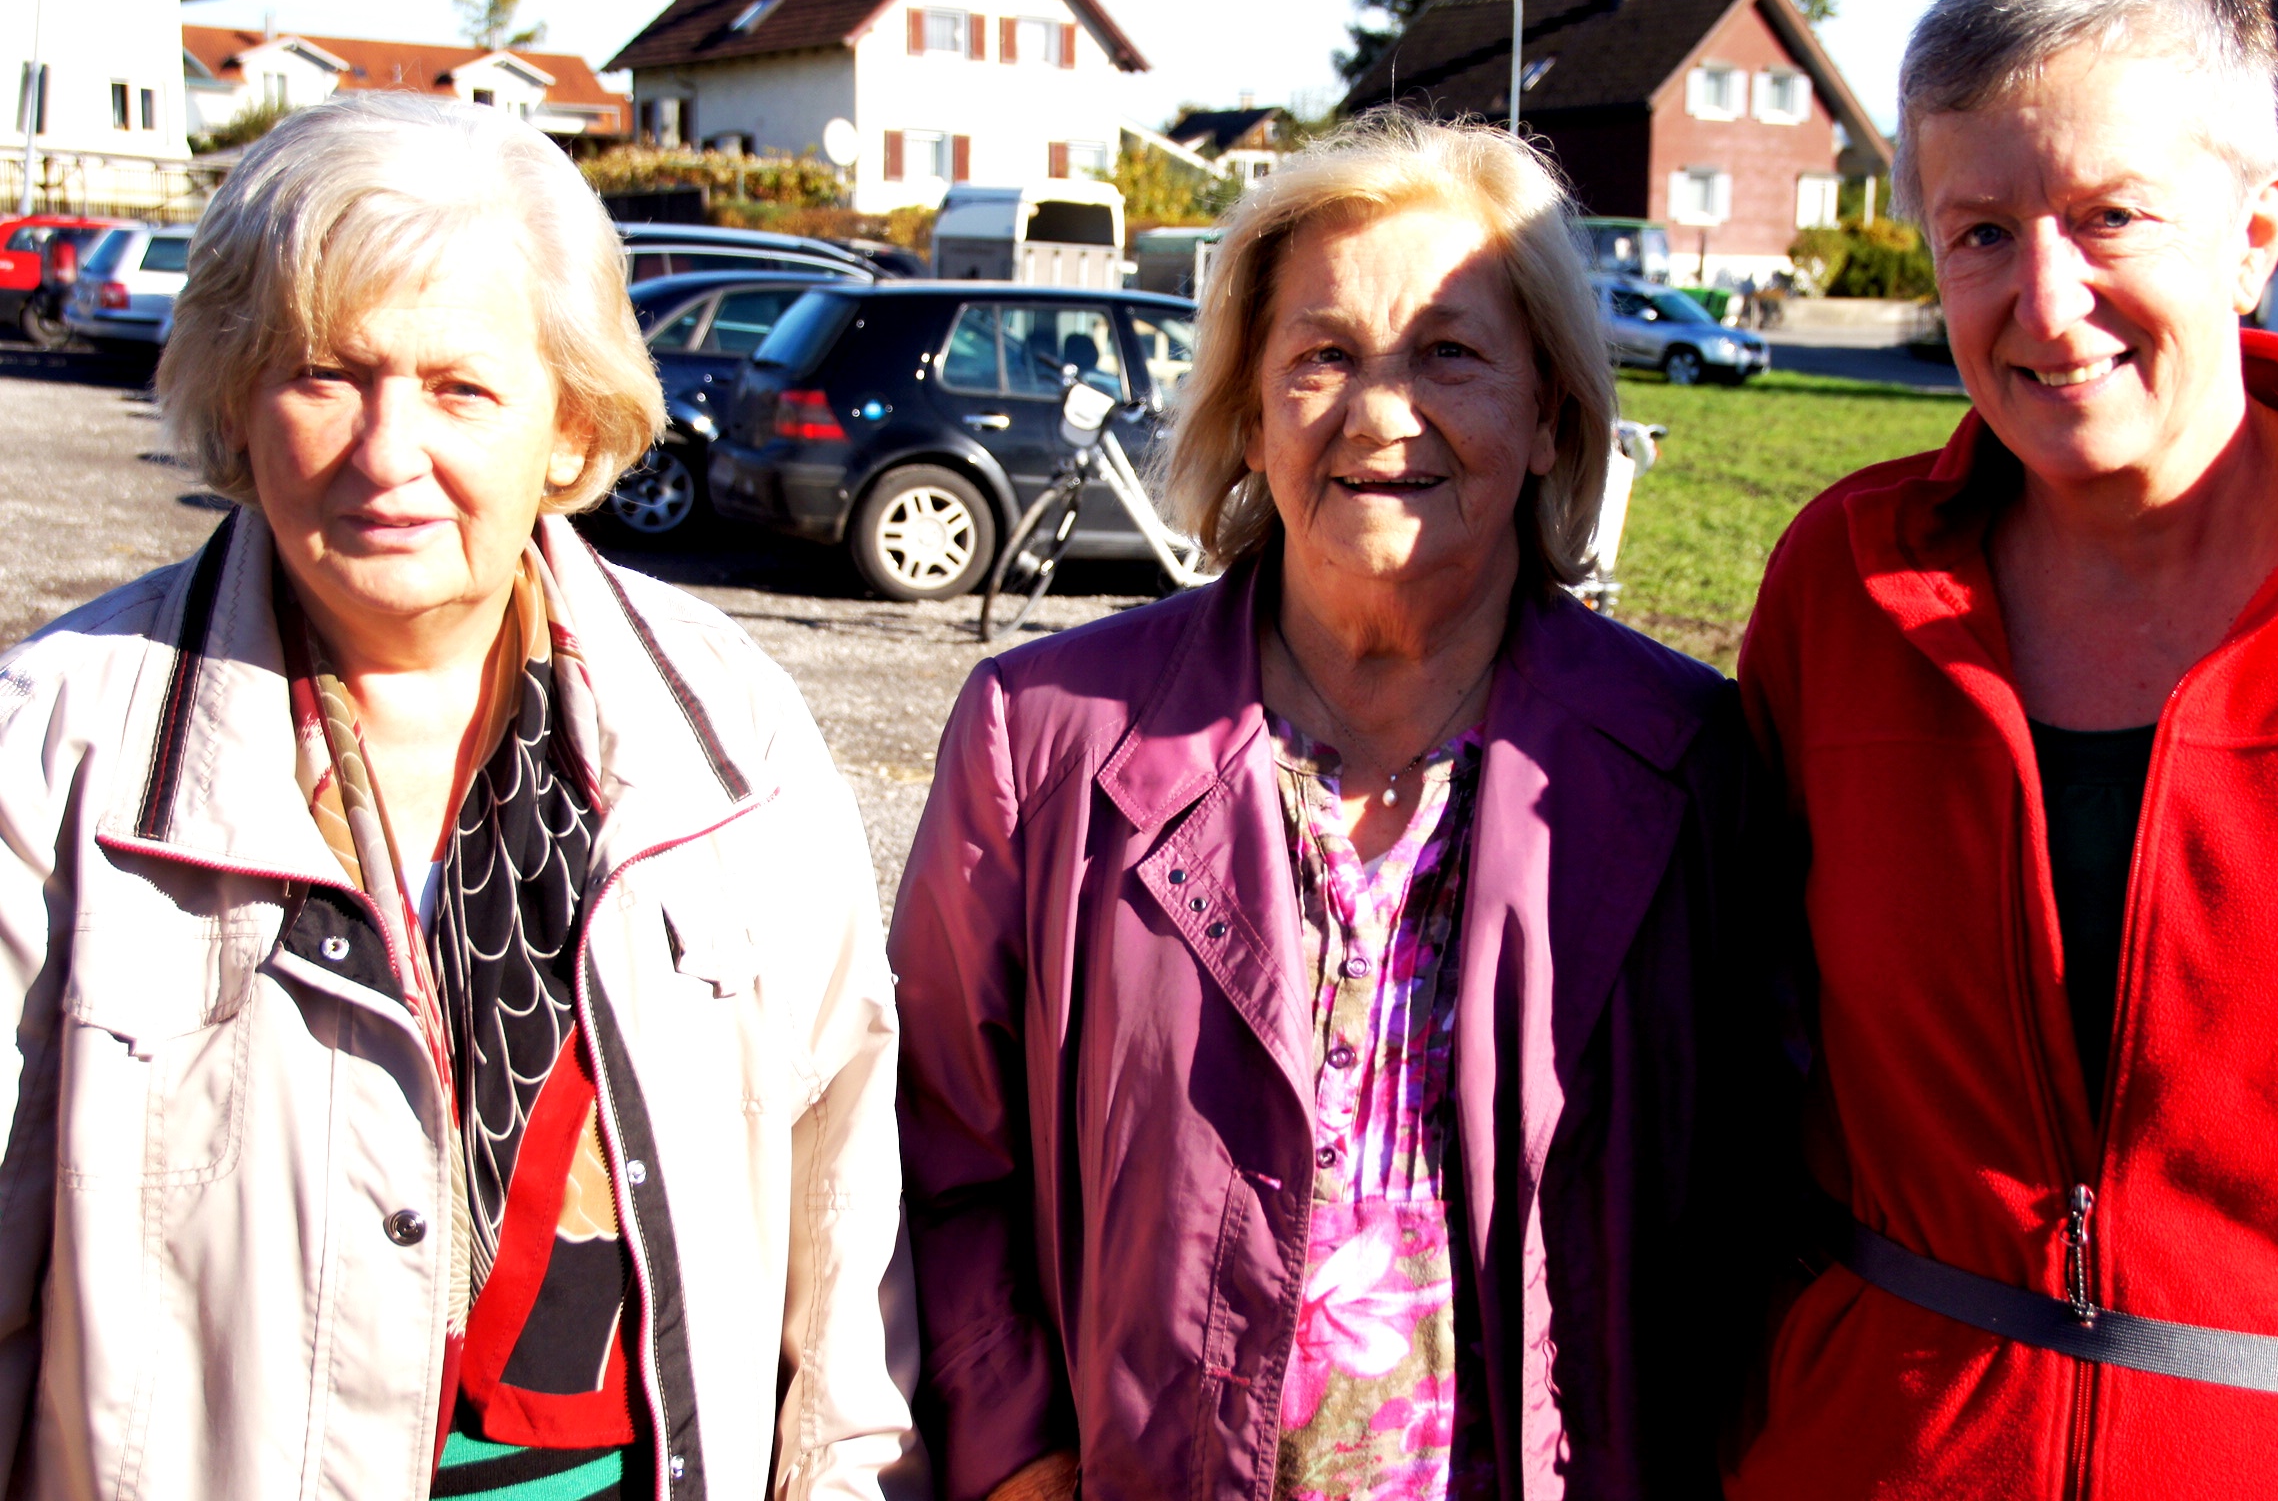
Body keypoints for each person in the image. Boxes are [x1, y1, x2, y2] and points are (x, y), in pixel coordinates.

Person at [0, 94, 906, 1498]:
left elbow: (843, 1198)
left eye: (461, 388)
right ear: (237, 396)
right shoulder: (57, 745)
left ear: (570, 426)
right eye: (324, 374)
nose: (385, 451)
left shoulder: (729, 731)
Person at [892, 116, 1783, 1501]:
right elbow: (940, 1151)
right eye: (1322, 357)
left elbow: (1758, 1201)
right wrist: (1019, 1461)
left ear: (1551, 414)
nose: (1379, 413)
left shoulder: (1686, 763)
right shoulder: (1044, 736)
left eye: (1449, 352)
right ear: (1251, 419)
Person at [1731, 0, 2278, 1499]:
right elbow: (1727, 1040)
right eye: (1981, 232)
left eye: (2111, 216)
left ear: (2256, 232)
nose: (2046, 306)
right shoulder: (1845, 582)